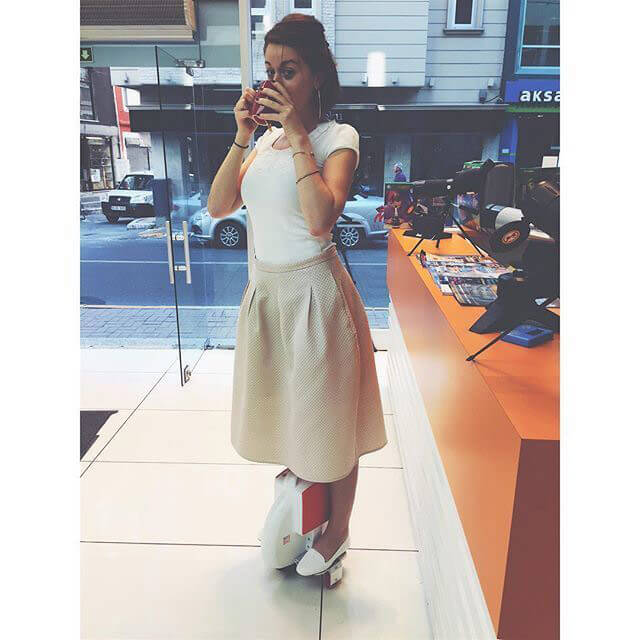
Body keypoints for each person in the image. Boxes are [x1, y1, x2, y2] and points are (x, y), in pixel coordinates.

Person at [207, 13, 387, 577]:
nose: (274, 81)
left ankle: (338, 531)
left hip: (316, 296)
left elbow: (319, 219)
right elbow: (219, 207)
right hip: (268, 296)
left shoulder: (337, 139)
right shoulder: (262, 142)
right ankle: (305, 514)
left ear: (316, 76)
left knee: (332, 422)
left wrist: (301, 137)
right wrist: (242, 135)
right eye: (269, 70)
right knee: (292, 413)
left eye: (289, 69)